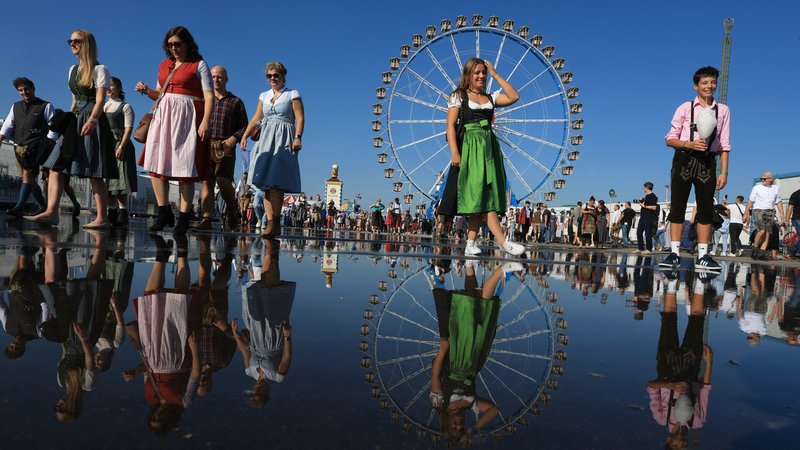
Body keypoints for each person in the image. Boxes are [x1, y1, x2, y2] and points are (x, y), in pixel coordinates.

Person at [27, 30, 116, 229]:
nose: (72, 44)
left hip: (92, 118)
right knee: (55, 165)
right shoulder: (72, 70)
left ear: (87, 44)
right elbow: (74, 99)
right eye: (70, 41)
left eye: (77, 41)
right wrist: (67, 122)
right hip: (75, 119)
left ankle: (102, 217)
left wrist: (92, 120)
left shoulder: (100, 69)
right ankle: (52, 212)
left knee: (94, 171)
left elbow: (101, 100)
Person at [135, 26, 214, 235]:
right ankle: (164, 212)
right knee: (155, 164)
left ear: (188, 44)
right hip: (164, 117)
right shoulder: (164, 65)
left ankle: (183, 218)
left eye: (177, 44)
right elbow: (159, 93)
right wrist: (146, 91)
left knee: (184, 169)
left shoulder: (199, 65)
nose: (173, 48)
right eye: (170, 45)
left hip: (188, 117)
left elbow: (209, 96)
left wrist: (205, 121)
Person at [446, 58, 523, 257]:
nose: (481, 76)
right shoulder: (458, 96)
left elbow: (514, 96)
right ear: (468, 75)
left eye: (484, 72)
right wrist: (455, 152)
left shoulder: (490, 98)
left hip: (489, 147)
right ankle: (503, 242)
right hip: (471, 147)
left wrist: (496, 75)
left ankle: (470, 243)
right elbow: (450, 126)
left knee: (485, 195)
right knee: (481, 195)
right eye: (477, 72)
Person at [660, 66, 731, 272]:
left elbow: (724, 144)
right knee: (678, 206)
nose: (710, 86)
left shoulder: (723, 110)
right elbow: (669, 139)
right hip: (684, 159)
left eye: (713, 82)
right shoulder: (685, 108)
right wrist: (688, 144)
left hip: (708, 162)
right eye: (705, 82)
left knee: (706, 209)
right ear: (696, 86)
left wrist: (724, 171)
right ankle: (674, 252)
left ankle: (703, 255)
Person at [240, 61, 304, 238]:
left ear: (283, 75)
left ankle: (275, 223)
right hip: (266, 138)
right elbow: (257, 117)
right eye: (269, 76)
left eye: (276, 75)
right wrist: (245, 135)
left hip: (284, 137)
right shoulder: (264, 95)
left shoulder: (292, 94)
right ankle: (270, 223)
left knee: (277, 184)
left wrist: (298, 137)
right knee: (266, 185)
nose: (272, 78)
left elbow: (300, 118)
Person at [193, 66, 248, 232]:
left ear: (226, 79)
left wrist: (234, 138)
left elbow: (245, 126)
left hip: (225, 145)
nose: (215, 80)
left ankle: (231, 207)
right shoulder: (204, 99)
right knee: (207, 183)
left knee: (223, 181)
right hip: (205, 143)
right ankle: (206, 219)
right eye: (213, 77)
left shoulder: (235, 101)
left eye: (219, 77)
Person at [0, 77, 55, 217]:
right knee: (30, 180)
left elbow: (53, 128)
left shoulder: (46, 106)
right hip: (18, 148)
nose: (24, 92)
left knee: (27, 175)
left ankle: (19, 207)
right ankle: (42, 206)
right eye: (20, 90)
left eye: (26, 89)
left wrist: (49, 145)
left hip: (36, 147)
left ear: (33, 88)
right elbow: (7, 126)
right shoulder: (15, 106)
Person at [104, 77, 137, 227]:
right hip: (107, 146)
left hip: (120, 145)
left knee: (120, 182)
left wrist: (121, 147)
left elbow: (128, 128)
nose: (108, 88)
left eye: (111, 85)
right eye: (107, 85)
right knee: (107, 182)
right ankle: (111, 212)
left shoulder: (125, 107)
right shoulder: (103, 106)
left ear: (118, 88)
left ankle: (123, 213)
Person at [743, 172, 785, 261]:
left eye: (764, 179)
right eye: (761, 179)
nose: (762, 180)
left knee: (768, 233)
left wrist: (782, 213)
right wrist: (746, 213)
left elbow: (778, 201)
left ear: (771, 179)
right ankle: (755, 249)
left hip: (770, 211)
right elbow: (750, 201)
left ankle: (762, 253)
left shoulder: (775, 188)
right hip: (759, 210)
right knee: (762, 231)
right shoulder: (756, 188)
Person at [637, 182, 659, 254]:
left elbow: (654, 207)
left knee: (647, 233)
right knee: (639, 232)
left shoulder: (653, 196)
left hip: (648, 217)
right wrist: (641, 201)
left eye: (644, 187)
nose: (643, 189)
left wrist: (645, 206)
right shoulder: (646, 196)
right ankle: (640, 248)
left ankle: (649, 249)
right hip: (643, 217)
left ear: (646, 188)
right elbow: (644, 205)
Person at [786, 188, 800, 259]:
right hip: (797, 218)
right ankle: (795, 250)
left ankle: (794, 249)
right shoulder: (796, 194)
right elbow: (790, 208)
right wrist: (787, 220)